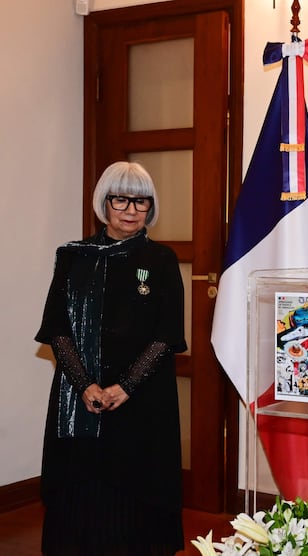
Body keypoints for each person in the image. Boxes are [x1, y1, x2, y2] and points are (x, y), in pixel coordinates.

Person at [35, 161, 187, 556]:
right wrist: (84, 385)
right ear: (104, 202)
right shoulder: (72, 256)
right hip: (80, 397)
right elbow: (57, 328)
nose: (131, 210)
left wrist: (126, 386)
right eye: (121, 199)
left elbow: (166, 335)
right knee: (81, 491)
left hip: (142, 400)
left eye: (141, 201)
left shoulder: (162, 260)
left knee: (137, 493)